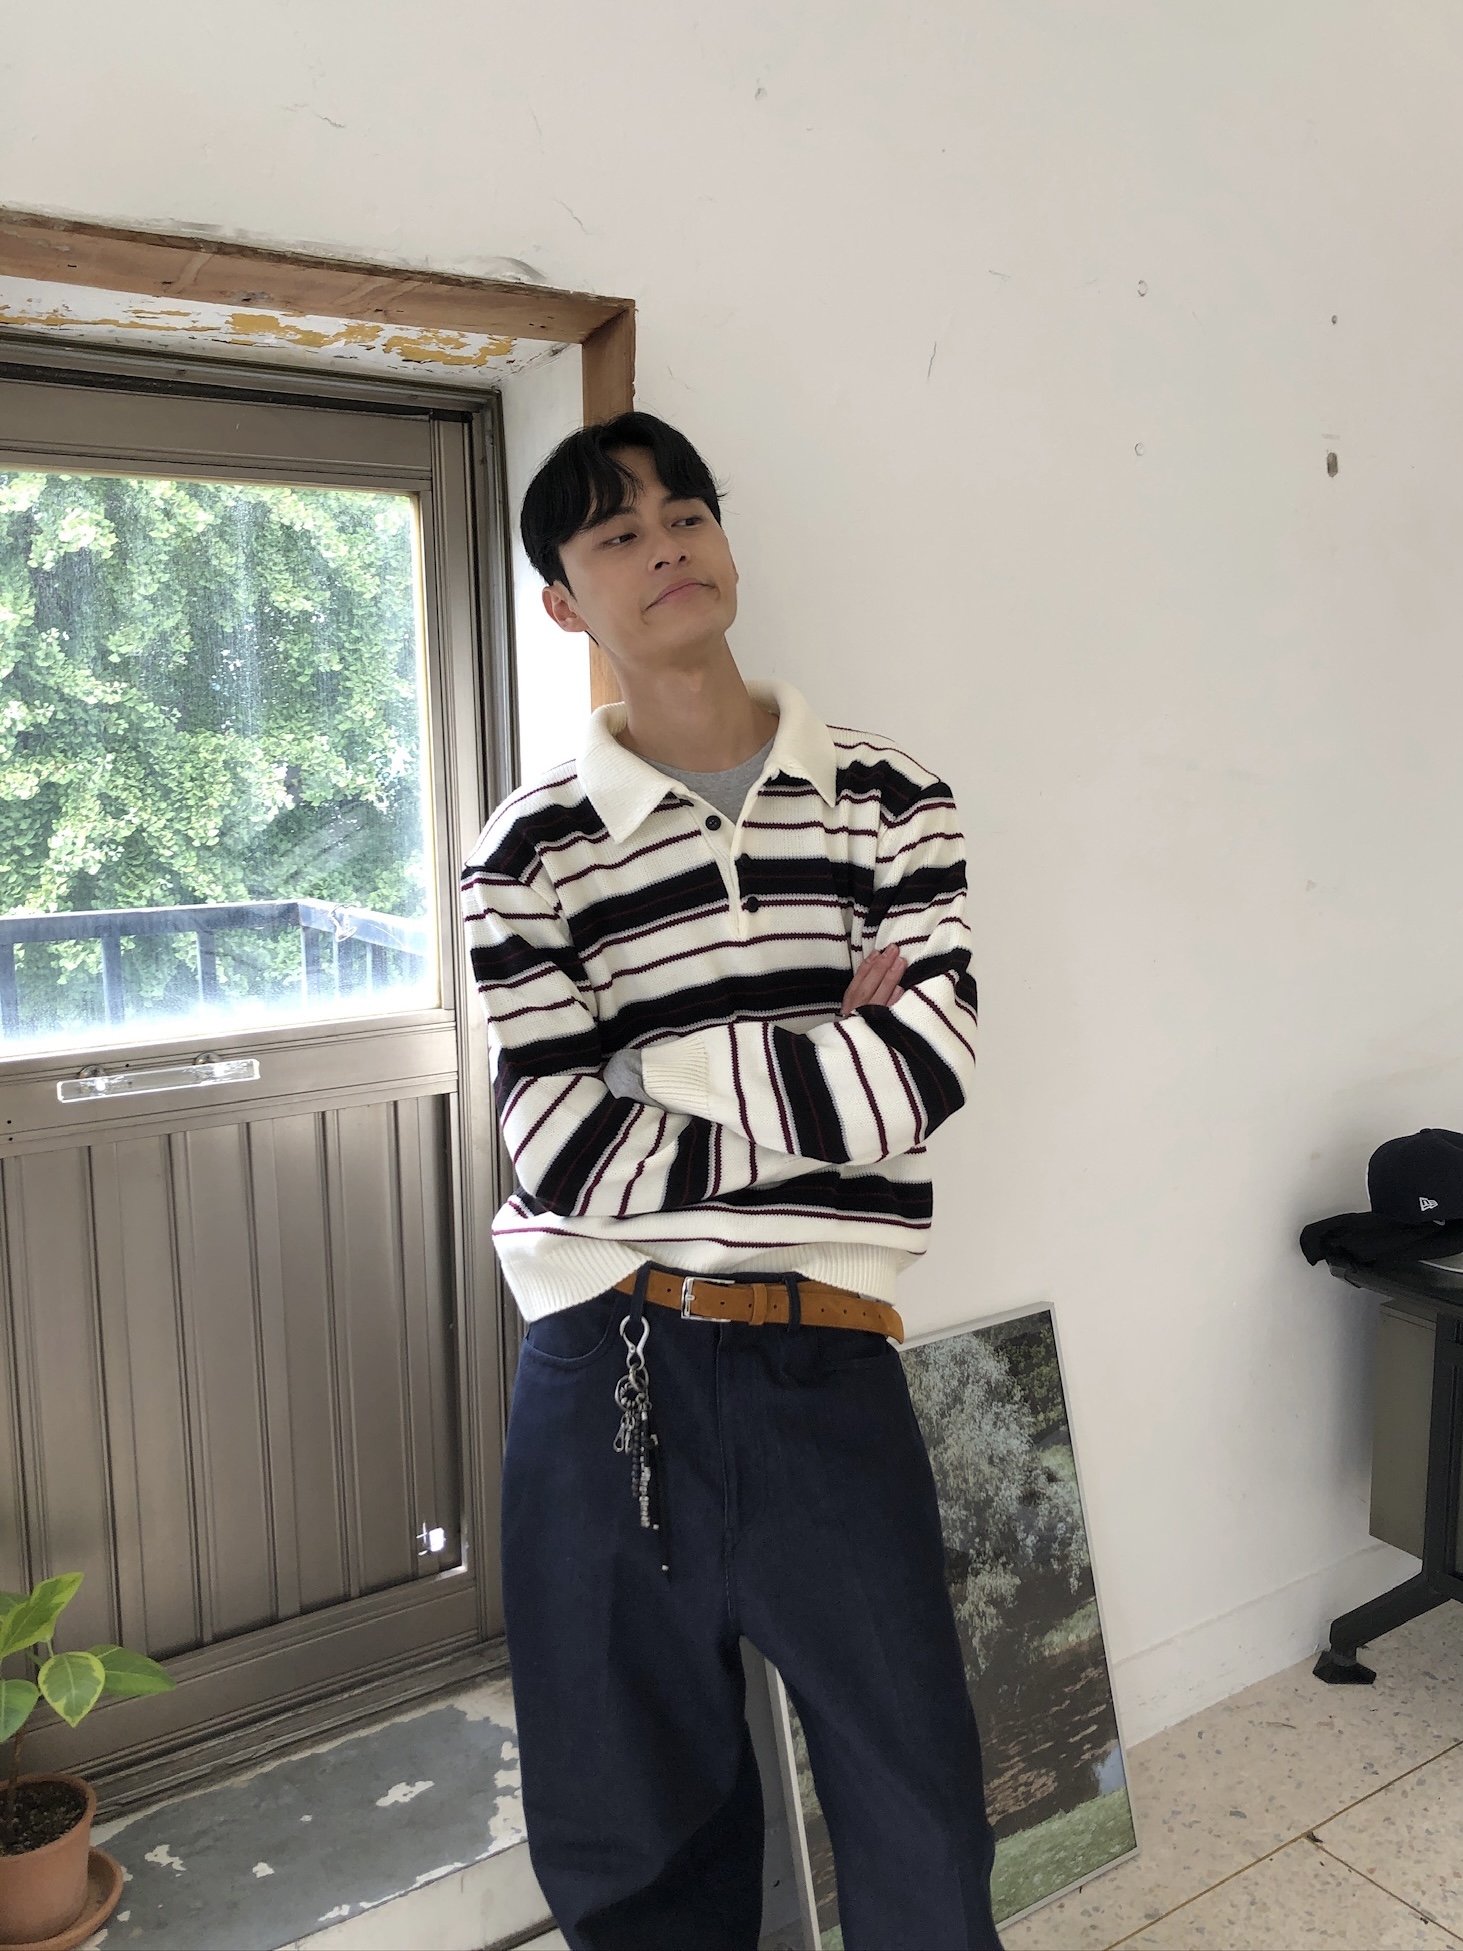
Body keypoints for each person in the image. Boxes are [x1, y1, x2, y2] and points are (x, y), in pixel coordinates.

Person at [461, 412, 1001, 1950]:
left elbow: (921, 1078)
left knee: (920, 1807)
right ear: (565, 601)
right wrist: (813, 1065)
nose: (666, 548)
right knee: (634, 1830)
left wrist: (657, 1062)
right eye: (616, 533)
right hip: (603, 1362)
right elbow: (563, 1150)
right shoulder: (528, 852)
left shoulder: (892, 799)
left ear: (727, 544)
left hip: (827, 1359)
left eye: (685, 513)